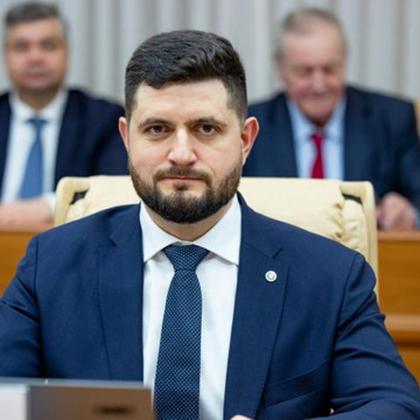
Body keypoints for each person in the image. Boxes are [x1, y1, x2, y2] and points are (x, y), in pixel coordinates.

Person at [0, 29, 419, 420]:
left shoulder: (330, 277)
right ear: (127, 139)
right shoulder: (50, 265)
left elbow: (394, 406)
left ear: (245, 140)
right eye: (158, 129)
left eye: (206, 128)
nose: (181, 154)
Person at [243, 7, 420, 231]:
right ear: (281, 71)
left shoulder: (393, 118)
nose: (319, 85)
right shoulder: (249, 125)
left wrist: (410, 214)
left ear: (344, 63)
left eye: (329, 69)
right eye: (305, 72)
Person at [0, 2, 127, 228]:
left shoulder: (104, 119)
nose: (35, 57)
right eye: (21, 47)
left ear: (66, 52)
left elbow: (113, 190)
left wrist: (47, 207)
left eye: (48, 46)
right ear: (6, 55)